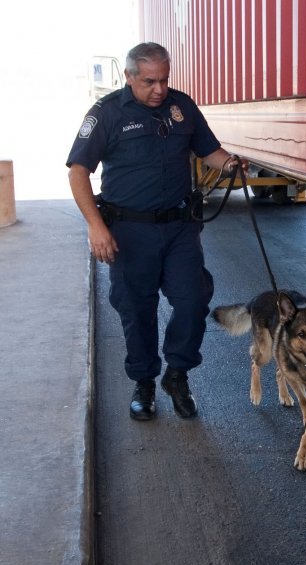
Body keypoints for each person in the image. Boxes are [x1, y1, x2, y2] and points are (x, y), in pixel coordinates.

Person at [66, 42, 247, 421]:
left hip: (180, 228)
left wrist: (229, 163)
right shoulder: (107, 114)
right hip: (129, 232)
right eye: (149, 81)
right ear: (129, 76)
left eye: (164, 79)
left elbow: (208, 150)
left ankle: (177, 375)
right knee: (137, 309)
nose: (159, 89)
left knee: (194, 299)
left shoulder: (182, 107)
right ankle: (144, 382)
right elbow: (78, 171)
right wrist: (96, 227)